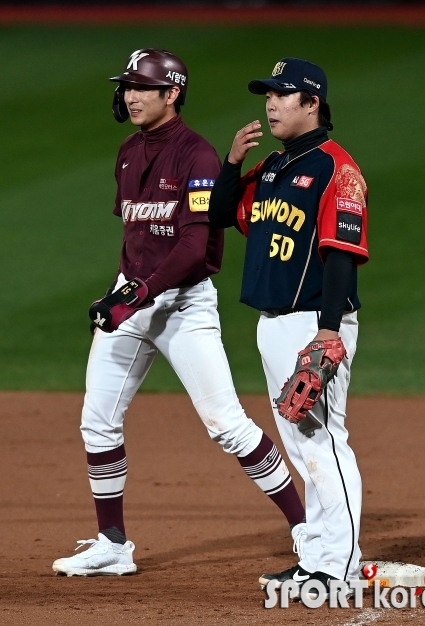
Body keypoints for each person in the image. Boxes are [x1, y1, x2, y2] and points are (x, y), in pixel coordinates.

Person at [52, 49, 307, 577]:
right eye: (126, 86)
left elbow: (193, 250)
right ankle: (113, 543)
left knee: (227, 424)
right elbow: (138, 234)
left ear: (172, 94)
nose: (130, 96)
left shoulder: (198, 157)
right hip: (133, 298)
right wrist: (129, 292)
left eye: (142, 87)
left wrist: (138, 295)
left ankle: (306, 527)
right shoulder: (126, 152)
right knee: (97, 422)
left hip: (183, 304)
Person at [208, 57, 369, 599]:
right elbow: (221, 212)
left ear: (312, 103)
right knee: (302, 445)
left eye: (282, 94)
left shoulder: (335, 168)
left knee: (323, 440)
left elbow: (342, 254)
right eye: (268, 94)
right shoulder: (274, 167)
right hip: (272, 323)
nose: (271, 103)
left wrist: (327, 333)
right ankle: (318, 559)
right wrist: (232, 162)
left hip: (314, 323)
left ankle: (338, 566)